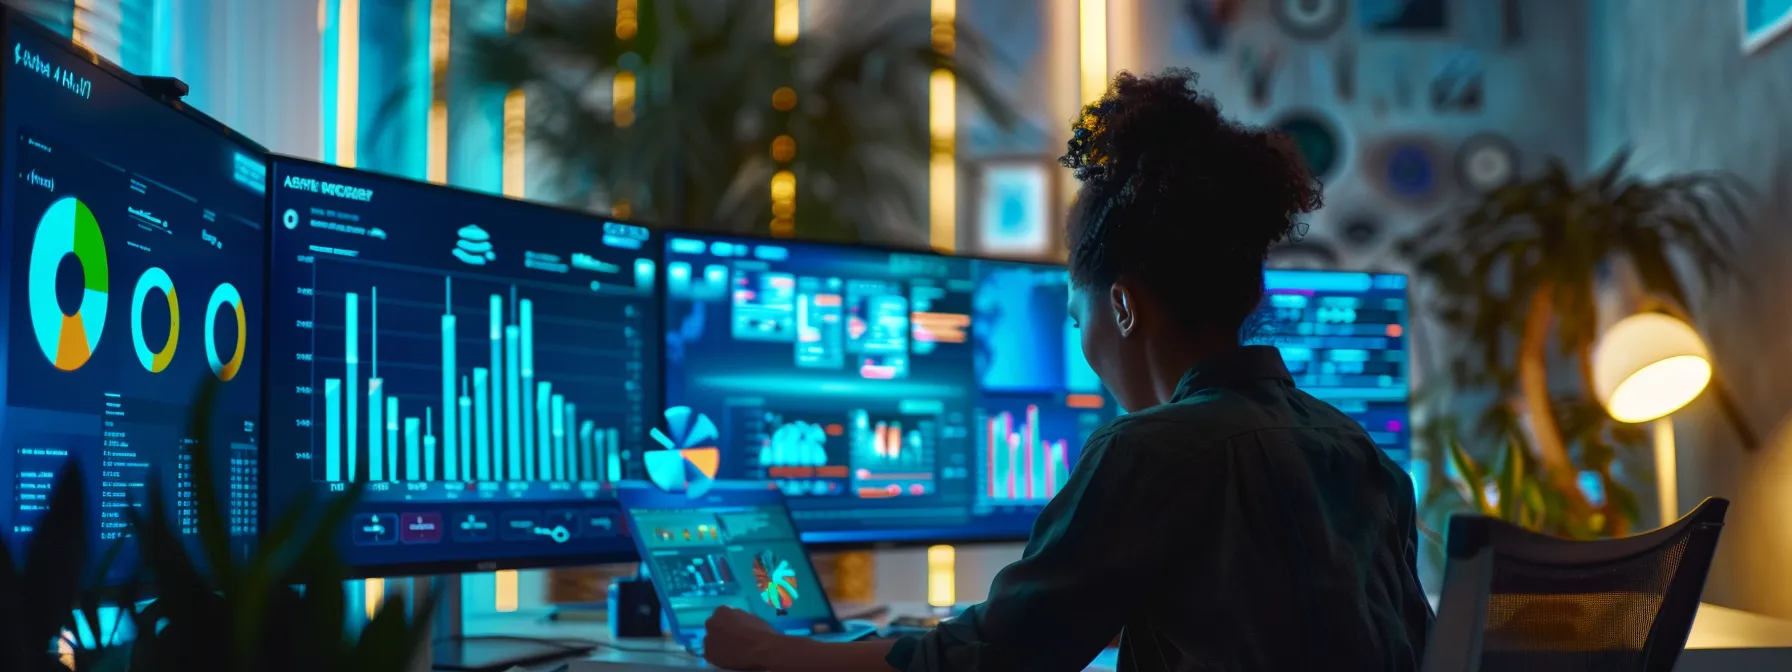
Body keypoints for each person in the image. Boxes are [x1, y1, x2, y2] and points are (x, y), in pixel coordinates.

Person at [701, 68, 1433, 672]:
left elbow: (988, 661)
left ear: (1121, 307)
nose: (1082, 341)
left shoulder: (1149, 452)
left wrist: (769, 651)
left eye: (1076, 316)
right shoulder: (1354, 450)